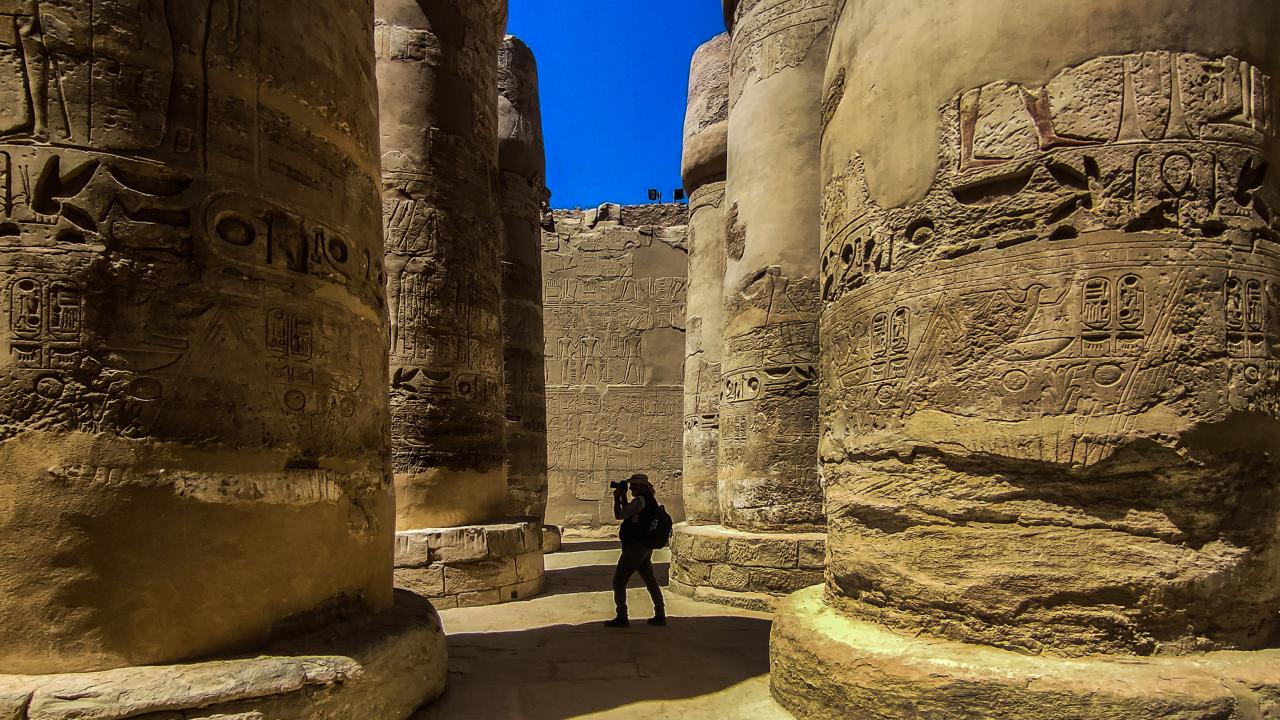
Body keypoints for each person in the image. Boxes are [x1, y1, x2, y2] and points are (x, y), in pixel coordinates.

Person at [605, 473, 665, 628]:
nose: (630, 488)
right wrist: (623, 497)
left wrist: (617, 498)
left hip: (636, 547)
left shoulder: (640, 501)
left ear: (640, 487)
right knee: (650, 580)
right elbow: (630, 514)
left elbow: (620, 514)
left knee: (619, 581)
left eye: (633, 485)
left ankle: (622, 616)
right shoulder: (649, 500)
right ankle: (660, 613)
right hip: (645, 546)